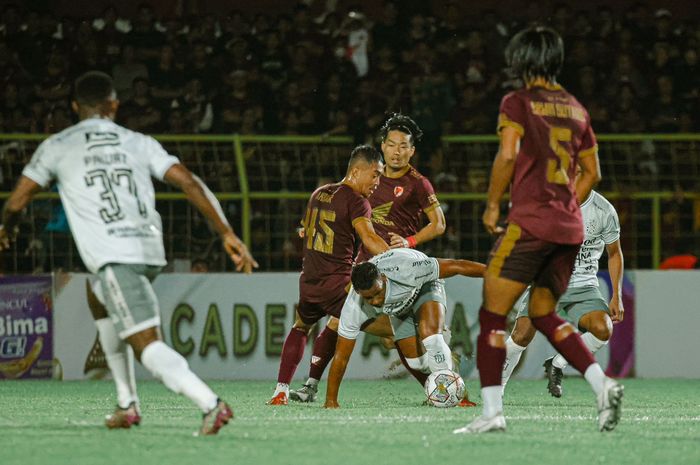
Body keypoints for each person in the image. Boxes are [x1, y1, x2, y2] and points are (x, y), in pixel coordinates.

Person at [0, 71, 258, 435]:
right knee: (97, 295)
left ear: (75, 107)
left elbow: (17, 201)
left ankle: (210, 403)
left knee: (147, 347)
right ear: (114, 106)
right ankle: (126, 403)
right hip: (149, 248)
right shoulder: (138, 141)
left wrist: (7, 229)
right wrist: (226, 232)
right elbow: (188, 181)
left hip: (115, 256)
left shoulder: (58, 145)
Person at [452, 26, 623, 434]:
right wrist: (566, 201)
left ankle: (492, 411)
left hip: (531, 223)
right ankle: (603, 385)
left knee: (492, 312)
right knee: (543, 313)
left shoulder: (518, 102)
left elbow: (508, 154)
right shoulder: (577, 109)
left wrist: (493, 204)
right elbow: (593, 171)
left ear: (522, 62)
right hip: (568, 228)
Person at [289, 113, 446, 403]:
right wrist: (308, 225)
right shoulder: (368, 175)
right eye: (391, 144)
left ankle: (435, 386)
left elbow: (439, 224)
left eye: (403, 146)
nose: (396, 151)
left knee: (401, 333)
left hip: (399, 268)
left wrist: (410, 241)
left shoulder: (418, 184)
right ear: (382, 146)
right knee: (337, 321)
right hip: (366, 266)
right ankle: (311, 386)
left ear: (412, 151)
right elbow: (336, 202)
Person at [268, 145, 390, 405]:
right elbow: (369, 238)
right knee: (394, 330)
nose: (378, 182)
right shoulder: (357, 202)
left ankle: (283, 390)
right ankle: (435, 372)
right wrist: (399, 261)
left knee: (301, 326)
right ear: (356, 171)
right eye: (376, 174)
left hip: (310, 283)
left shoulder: (319, 193)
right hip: (339, 285)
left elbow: (305, 230)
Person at [323, 248, 485, 408]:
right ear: (358, 293)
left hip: (424, 287)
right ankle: (448, 359)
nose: (375, 301)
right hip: (399, 310)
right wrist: (331, 401)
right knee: (417, 364)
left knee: (432, 338)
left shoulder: (410, 270)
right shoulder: (353, 308)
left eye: (378, 293)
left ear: (384, 279)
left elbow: (457, 265)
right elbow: (341, 356)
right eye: (368, 298)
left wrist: (494, 274)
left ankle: (457, 397)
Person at [501, 189, 624, 397]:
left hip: (584, 286)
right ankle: (497, 388)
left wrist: (617, 295)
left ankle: (557, 363)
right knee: (521, 335)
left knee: (603, 329)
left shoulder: (603, 210)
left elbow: (614, 253)